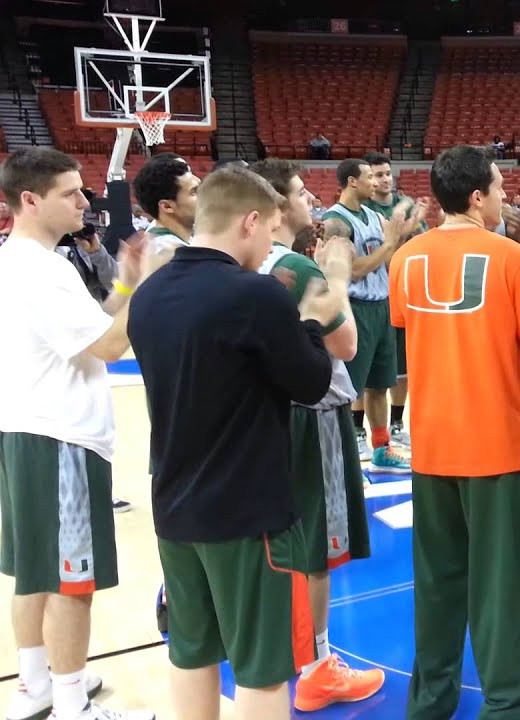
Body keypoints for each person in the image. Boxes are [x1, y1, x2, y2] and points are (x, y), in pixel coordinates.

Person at [129, 166, 347, 720]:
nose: (273, 242)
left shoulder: (150, 293)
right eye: (272, 230)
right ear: (250, 222)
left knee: (192, 655)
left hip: (174, 507)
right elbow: (312, 381)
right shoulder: (254, 295)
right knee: (262, 669)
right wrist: (313, 322)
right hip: (246, 515)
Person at [388, 144, 520, 720]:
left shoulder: (404, 260)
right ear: (478, 196)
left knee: (436, 584)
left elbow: (412, 335)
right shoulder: (514, 259)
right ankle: (507, 705)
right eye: (501, 189)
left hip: (432, 444)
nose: (507, 197)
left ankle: (430, 703)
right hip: (497, 446)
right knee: (503, 587)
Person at [0, 147, 156, 720]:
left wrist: (125, 285)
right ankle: (72, 705)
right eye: (71, 192)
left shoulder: (17, 260)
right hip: (61, 438)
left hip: (25, 430)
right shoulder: (42, 271)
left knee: (34, 572)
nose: (85, 201)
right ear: (30, 200)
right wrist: (146, 286)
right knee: (72, 580)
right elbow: (112, 346)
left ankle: (38, 683)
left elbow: (97, 325)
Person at [251, 158, 385, 711]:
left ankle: (289, 655)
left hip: (269, 414)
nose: (312, 202)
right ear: (280, 207)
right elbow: (346, 345)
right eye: (303, 193)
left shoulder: (245, 263)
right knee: (318, 549)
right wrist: (334, 272)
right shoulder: (296, 269)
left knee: (284, 544)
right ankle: (317, 666)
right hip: (314, 414)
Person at [322, 158, 417, 472]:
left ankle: (381, 450)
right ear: (352, 181)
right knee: (350, 391)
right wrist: (390, 242)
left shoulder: (376, 216)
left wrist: (402, 236)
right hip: (357, 308)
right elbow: (353, 271)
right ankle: (345, 462)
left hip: (382, 307)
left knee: (380, 386)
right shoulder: (336, 221)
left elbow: (386, 259)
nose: (375, 184)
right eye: (368, 178)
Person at [362, 152, 429, 452]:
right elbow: (385, 249)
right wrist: (404, 228)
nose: (385, 179)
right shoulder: (364, 209)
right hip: (375, 293)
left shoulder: (408, 204)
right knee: (370, 371)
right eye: (378, 175)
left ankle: (398, 423)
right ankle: (360, 431)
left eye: (387, 173)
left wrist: (411, 229)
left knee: (402, 367)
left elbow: (420, 244)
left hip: (405, 290)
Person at [133, 152, 200, 253]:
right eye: (194, 192)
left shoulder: (162, 237)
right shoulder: (168, 253)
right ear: (167, 206)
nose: (204, 195)